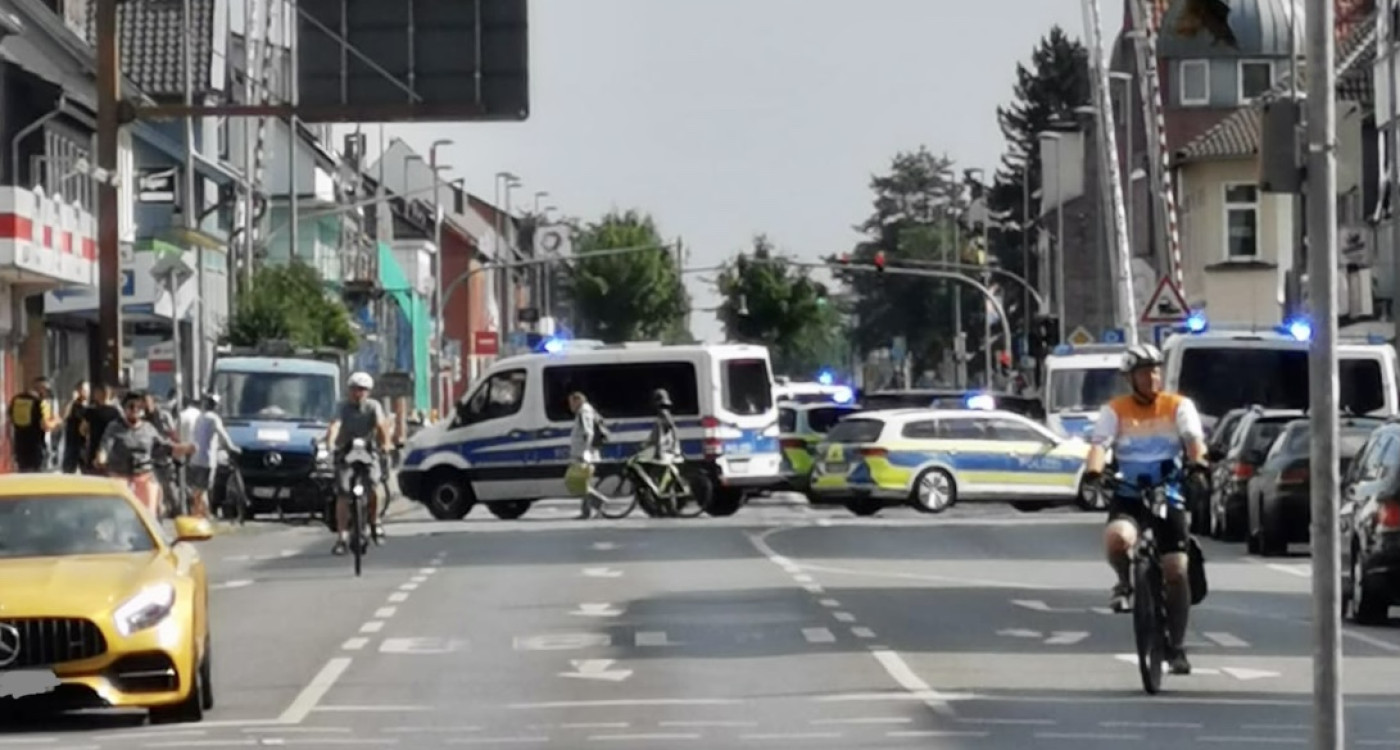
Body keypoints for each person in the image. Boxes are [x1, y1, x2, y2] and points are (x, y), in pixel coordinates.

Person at [1082, 343, 1209, 676]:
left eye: (1155, 371)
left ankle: (1177, 646)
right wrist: (1095, 473)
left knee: (1177, 570)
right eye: (1143, 372)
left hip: (1168, 492)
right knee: (1117, 539)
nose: (1151, 377)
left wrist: (1197, 466)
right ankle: (1125, 582)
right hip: (1130, 491)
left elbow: (1193, 439)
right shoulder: (1116, 410)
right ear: (1131, 378)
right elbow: (1100, 445)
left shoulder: (1179, 405)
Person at [95, 391, 195, 518]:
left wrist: (183, 448)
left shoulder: (148, 428)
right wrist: (102, 456)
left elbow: (164, 447)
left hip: (144, 476)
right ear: (124, 409)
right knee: (119, 515)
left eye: (139, 407)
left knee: (148, 515)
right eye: (131, 406)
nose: (135, 410)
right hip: (120, 476)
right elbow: (105, 445)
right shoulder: (114, 427)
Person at [325, 372, 390, 555]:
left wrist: (385, 444)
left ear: (368, 392)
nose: (358, 393)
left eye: (362, 390)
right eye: (354, 389)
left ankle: (375, 521)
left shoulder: (373, 406)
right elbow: (335, 425)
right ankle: (342, 536)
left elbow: (381, 426)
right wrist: (331, 444)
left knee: (374, 483)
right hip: (346, 451)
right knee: (343, 491)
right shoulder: (342, 407)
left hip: (368, 451)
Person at [188, 392, 239, 519]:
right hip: (207, 459)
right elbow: (223, 435)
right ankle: (205, 514)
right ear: (215, 406)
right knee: (205, 488)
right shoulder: (214, 418)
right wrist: (232, 448)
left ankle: (197, 512)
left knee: (197, 488)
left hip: (195, 458)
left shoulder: (200, 417)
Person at [568, 390, 610, 520]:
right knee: (584, 482)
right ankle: (586, 512)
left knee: (580, 483)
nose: (570, 406)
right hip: (585, 452)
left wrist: (585, 452)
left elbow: (589, 432)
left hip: (585, 454)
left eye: (571, 403)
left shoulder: (584, 411)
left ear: (577, 401)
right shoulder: (584, 411)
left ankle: (600, 501)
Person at [9, 376, 60, 472]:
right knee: (37, 482)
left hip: (20, 447)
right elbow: (45, 426)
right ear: (42, 389)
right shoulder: (41, 403)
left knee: (23, 478)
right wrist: (56, 421)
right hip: (36, 449)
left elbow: (11, 420)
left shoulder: (16, 400)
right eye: (46, 389)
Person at [82, 383, 124, 476]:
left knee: (94, 477)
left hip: (97, 447)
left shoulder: (91, 411)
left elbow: (82, 429)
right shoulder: (116, 412)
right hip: (110, 449)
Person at [61, 382, 90, 473]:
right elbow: (63, 416)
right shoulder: (72, 405)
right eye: (82, 390)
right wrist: (71, 400)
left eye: (86, 390)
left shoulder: (90, 406)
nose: (84, 392)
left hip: (85, 444)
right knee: (68, 471)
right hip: (72, 443)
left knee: (86, 471)